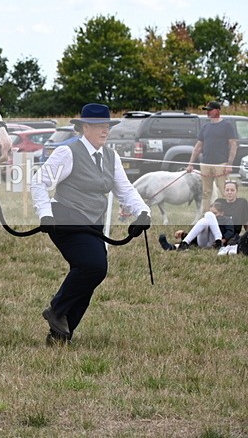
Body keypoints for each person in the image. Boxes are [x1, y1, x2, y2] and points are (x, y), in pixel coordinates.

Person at [31, 103, 150, 345]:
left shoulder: (111, 156)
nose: (105, 131)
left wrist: (143, 213)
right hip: (65, 218)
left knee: (91, 276)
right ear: (85, 127)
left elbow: (124, 189)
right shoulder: (67, 152)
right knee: (94, 266)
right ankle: (56, 309)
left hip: (92, 224)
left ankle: (60, 336)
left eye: (107, 126)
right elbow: (39, 182)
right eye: (99, 127)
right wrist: (45, 214)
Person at [187, 101, 237, 205]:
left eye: (210, 110)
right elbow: (198, 146)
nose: (208, 112)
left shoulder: (226, 125)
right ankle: (207, 216)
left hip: (221, 164)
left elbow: (233, 145)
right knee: (206, 193)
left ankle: (227, 217)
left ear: (218, 110)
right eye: (207, 110)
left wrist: (229, 164)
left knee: (224, 192)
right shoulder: (205, 127)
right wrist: (190, 164)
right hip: (206, 164)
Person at [158, 200, 233, 251]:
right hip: (203, 242)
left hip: (214, 242)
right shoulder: (207, 221)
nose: (213, 216)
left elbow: (230, 231)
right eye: (212, 213)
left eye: (215, 213)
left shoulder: (227, 220)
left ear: (222, 213)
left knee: (208, 214)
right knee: (204, 220)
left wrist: (224, 240)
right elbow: (198, 233)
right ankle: (180, 244)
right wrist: (184, 234)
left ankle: (218, 241)